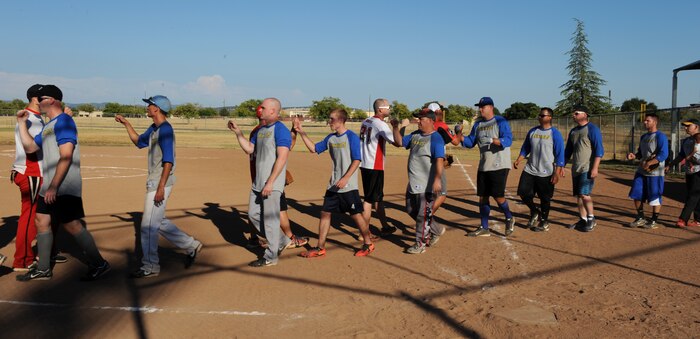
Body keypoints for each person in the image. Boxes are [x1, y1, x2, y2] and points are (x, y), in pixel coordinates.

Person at [14, 85, 110, 281]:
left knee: (72, 225)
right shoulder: (50, 125)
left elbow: (66, 155)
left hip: (64, 185)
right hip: (49, 185)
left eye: (41, 99)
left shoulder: (64, 122)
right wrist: (22, 123)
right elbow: (30, 147)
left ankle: (99, 263)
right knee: (41, 221)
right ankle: (43, 268)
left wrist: (55, 186)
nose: (38, 102)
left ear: (51, 100)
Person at [115, 95, 203, 278]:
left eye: (149, 105)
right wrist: (126, 124)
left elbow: (168, 161)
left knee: (148, 226)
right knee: (157, 221)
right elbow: (139, 142)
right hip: (155, 181)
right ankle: (191, 245)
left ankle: (150, 266)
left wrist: (161, 187)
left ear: (157, 109)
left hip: (160, 182)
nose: (147, 108)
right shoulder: (154, 128)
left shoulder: (166, 130)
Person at [294, 109, 374, 257]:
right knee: (325, 214)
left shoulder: (351, 137)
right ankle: (320, 248)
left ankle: (368, 244)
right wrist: (301, 132)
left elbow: (357, 159)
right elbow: (313, 149)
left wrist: (346, 178)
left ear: (340, 120)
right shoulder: (330, 138)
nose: (329, 122)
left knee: (356, 214)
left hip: (348, 186)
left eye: (331, 119)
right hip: (333, 185)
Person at [228, 98, 292, 267]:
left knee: (270, 221)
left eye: (263, 107)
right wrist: (238, 133)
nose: (259, 109)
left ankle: (271, 257)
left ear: (272, 111)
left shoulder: (280, 130)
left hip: (271, 183)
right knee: (253, 215)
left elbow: (282, 157)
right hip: (258, 182)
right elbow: (249, 149)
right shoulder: (261, 130)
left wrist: (271, 182)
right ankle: (281, 240)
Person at [247, 106, 308, 250]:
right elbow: (289, 147)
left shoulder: (255, 131)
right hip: (270, 179)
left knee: (256, 209)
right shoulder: (269, 131)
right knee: (280, 208)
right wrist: (294, 130)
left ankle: (253, 238)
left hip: (256, 176)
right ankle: (290, 238)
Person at [455, 97, 515, 237]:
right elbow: (470, 142)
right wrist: (459, 133)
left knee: (498, 195)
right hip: (484, 164)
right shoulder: (478, 124)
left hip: (500, 163)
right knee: (483, 197)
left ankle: (509, 217)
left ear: (491, 107)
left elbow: (508, 139)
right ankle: (484, 226)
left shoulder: (500, 121)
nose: (480, 109)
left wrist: (493, 141)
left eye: (483, 106)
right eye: (479, 107)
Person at [391, 107, 445, 253]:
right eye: (418, 118)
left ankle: (420, 245)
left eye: (421, 119)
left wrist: (437, 180)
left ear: (431, 121)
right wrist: (396, 127)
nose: (418, 121)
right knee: (410, 209)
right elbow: (400, 142)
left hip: (426, 184)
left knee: (422, 215)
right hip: (413, 182)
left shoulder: (436, 138)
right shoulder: (415, 134)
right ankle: (437, 229)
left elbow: (439, 160)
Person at [3, 85, 44, 270]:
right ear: (36, 99)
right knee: (30, 217)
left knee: (36, 216)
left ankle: (30, 254)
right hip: (31, 172)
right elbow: (32, 148)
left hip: (30, 171)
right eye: (46, 98)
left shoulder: (35, 118)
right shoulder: (30, 120)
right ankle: (22, 259)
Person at [513, 107, 565, 232]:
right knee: (523, 193)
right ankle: (535, 211)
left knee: (545, 198)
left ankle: (544, 221)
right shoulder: (533, 131)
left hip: (546, 172)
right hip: (530, 169)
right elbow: (526, 148)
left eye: (543, 115)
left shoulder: (555, 134)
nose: (540, 117)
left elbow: (559, 155)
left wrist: (556, 173)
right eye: (540, 115)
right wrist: (519, 159)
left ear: (550, 118)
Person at [359, 98, 400, 236]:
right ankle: (363, 232)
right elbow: (396, 142)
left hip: (365, 163)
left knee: (377, 197)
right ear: (380, 109)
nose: (389, 110)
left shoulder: (366, 121)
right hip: (374, 165)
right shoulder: (380, 124)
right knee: (369, 199)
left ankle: (385, 225)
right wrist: (400, 127)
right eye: (387, 107)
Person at [564, 105, 604, 232]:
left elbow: (599, 150)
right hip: (576, 168)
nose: (573, 115)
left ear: (585, 114)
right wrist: (562, 165)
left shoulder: (592, 129)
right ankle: (583, 219)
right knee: (578, 195)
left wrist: (595, 168)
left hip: (587, 167)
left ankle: (591, 218)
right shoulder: (573, 131)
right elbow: (568, 151)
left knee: (584, 194)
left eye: (576, 113)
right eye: (573, 113)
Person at [626, 113, 668, 229]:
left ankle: (654, 220)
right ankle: (640, 218)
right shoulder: (644, 137)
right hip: (641, 170)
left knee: (654, 196)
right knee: (636, 193)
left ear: (655, 122)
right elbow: (640, 153)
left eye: (648, 121)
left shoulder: (660, 136)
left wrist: (649, 163)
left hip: (655, 172)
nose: (645, 122)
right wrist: (634, 156)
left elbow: (664, 154)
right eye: (644, 121)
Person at [665, 118, 700, 228]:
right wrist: (670, 165)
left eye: (688, 125)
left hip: (699, 171)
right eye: (685, 126)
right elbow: (681, 155)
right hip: (690, 170)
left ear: (696, 127)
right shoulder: (686, 141)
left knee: (693, 195)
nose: (685, 128)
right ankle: (698, 220)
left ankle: (682, 219)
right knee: (694, 195)